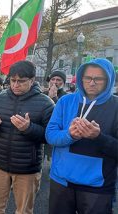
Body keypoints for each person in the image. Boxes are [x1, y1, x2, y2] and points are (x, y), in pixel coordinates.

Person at [46, 58, 118, 214]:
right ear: (81, 78)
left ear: (109, 79)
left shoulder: (116, 106)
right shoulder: (65, 101)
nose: (92, 83)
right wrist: (69, 135)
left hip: (98, 186)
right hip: (62, 180)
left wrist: (99, 137)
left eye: (98, 78)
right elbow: (50, 135)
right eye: (88, 78)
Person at [0, 60, 54, 214]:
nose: (15, 85)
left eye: (21, 81)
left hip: (27, 168)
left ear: (32, 80)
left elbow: (51, 137)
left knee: (24, 210)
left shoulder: (46, 103)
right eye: (12, 80)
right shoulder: (0, 99)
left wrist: (29, 129)